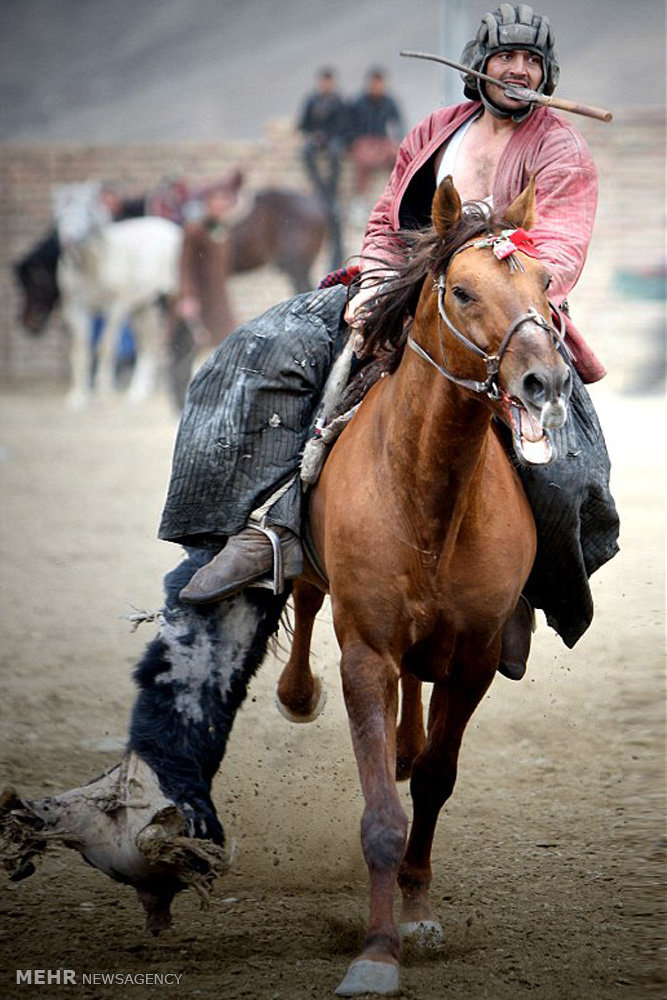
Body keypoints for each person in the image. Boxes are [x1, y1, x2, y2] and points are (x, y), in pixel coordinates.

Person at [161, 4, 619, 681]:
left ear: (544, 73)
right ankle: (271, 529)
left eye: (531, 60)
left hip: (506, 312)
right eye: (505, 56)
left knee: (572, 467)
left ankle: (523, 591)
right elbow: (385, 217)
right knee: (267, 352)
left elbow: (558, 245)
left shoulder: (559, 148)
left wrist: (494, 276)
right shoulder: (435, 131)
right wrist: (376, 279)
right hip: (404, 292)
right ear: (480, 64)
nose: (517, 68)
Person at [297, 67, 348, 267]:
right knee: (306, 151)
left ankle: (331, 186)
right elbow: (304, 124)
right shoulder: (312, 100)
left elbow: (344, 126)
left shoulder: (338, 101)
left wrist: (330, 136)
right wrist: (315, 135)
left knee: (335, 152)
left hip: (334, 140)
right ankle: (320, 185)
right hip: (317, 140)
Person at [348, 67, 405, 222]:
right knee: (363, 160)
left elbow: (398, 125)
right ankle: (360, 200)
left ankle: (397, 194)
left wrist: (395, 141)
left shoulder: (389, 102)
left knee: (399, 156)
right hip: (365, 141)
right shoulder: (358, 102)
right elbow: (349, 127)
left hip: (383, 141)